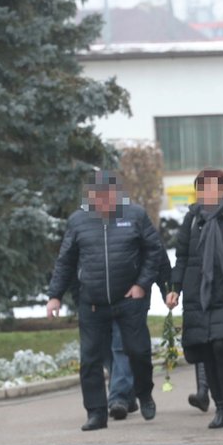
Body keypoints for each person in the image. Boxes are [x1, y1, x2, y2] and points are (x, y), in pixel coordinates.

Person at [46, 171, 165, 431]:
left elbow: (153, 251)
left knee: (139, 351)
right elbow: (65, 261)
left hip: (129, 299)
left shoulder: (134, 215)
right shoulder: (78, 221)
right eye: (96, 197)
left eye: (106, 197)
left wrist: (141, 285)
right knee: (90, 359)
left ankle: (144, 394)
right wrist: (55, 296)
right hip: (92, 302)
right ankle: (96, 413)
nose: (102, 203)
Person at [167, 169, 223, 432]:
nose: (206, 194)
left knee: (222, 345)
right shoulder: (191, 220)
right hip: (198, 295)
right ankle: (219, 407)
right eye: (201, 189)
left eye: (212, 188)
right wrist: (175, 288)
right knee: (206, 350)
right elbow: (182, 257)